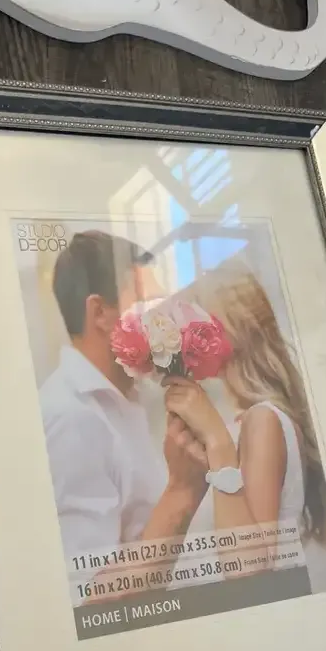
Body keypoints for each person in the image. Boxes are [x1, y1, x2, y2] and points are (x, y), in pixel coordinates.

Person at [39, 231, 206, 602]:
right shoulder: (69, 417)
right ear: (100, 313)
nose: (166, 319)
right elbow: (89, 596)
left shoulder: (144, 393)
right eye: (149, 304)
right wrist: (182, 492)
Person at [163, 263, 326, 592]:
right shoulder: (255, 419)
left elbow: (249, 571)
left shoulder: (263, 420)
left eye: (191, 322)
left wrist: (216, 440)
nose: (182, 338)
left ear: (225, 331)